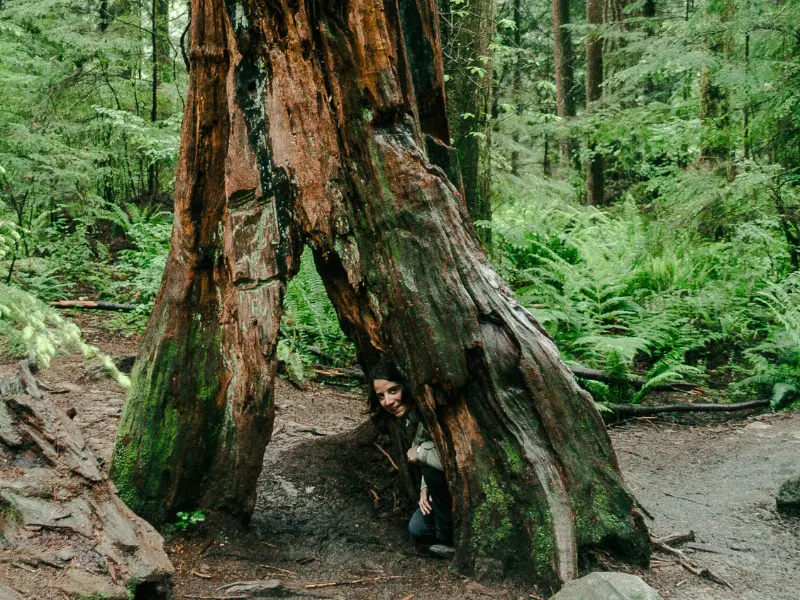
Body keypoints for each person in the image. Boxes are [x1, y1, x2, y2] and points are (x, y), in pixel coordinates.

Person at [370, 358, 454, 558]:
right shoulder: (411, 418)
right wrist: (426, 488)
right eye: (381, 396)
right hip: (446, 495)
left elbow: (457, 457)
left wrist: (418, 454)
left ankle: (448, 541)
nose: (388, 402)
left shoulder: (434, 409)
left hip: (466, 490)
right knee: (418, 529)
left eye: (393, 390)